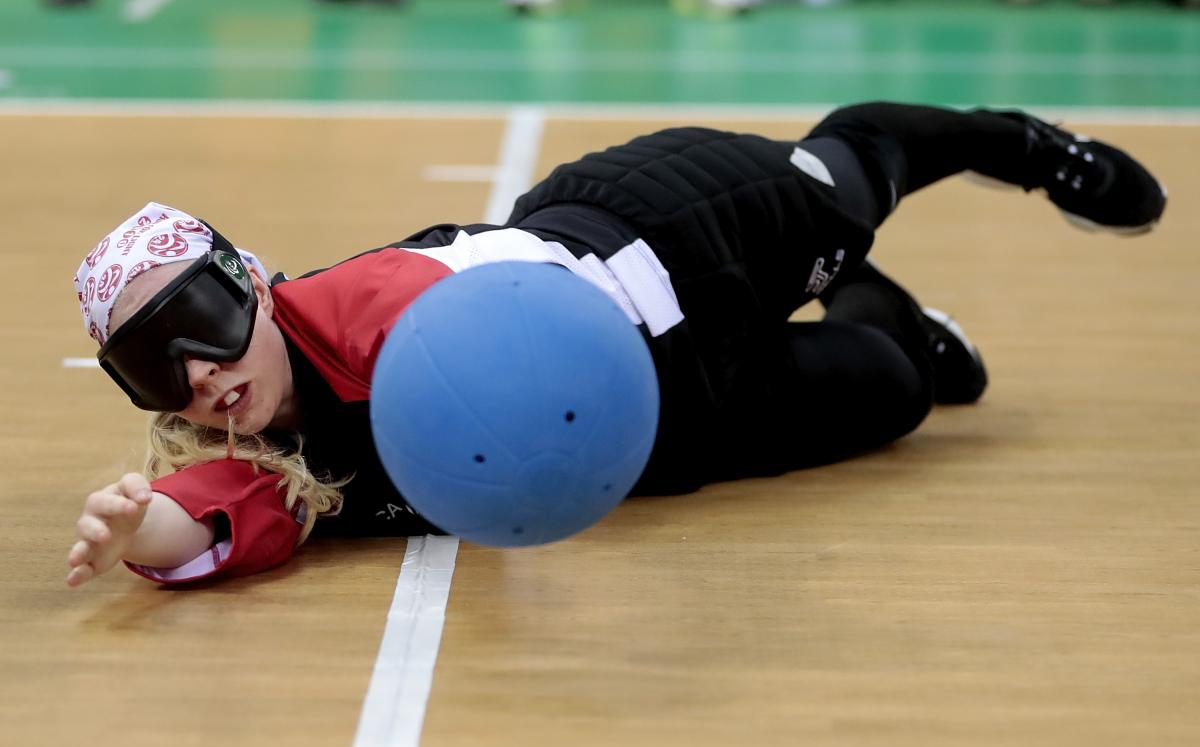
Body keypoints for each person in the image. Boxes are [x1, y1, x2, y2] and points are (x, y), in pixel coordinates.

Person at [66, 101, 1167, 588]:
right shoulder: (259, 449)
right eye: (156, 365)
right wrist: (139, 534)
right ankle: (891, 313)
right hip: (658, 421)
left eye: (202, 326)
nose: (201, 374)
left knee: (854, 178)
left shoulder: (373, 311)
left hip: (672, 242)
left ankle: (1017, 144)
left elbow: (514, 291)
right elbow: (215, 515)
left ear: (253, 283)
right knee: (900, 388)